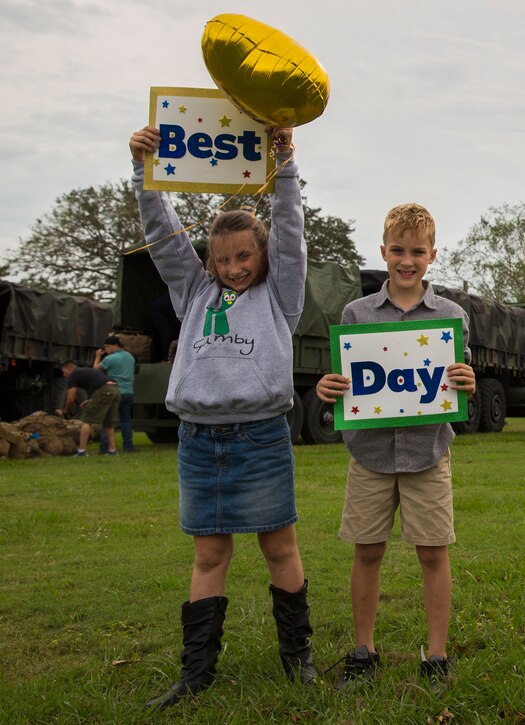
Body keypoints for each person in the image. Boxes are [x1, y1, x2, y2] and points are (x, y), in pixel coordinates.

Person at [129, 125, 317, 709]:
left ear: (262, 255)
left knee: (280, 549)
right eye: (224, 259)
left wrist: (285, 164)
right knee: (209, 554)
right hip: (199, 441)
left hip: (261, 438)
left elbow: (290, 231)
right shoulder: (193, 291)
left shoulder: (281, 293)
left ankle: (298, 660)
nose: (235, 268)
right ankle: (198, 672)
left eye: (245, 256)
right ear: (209, 262)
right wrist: (144, 171)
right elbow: (162, 237)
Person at [315, 203, 476, 691]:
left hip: (428, 452)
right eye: (398, 251)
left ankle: (438, 656)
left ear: (432, 255)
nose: (407, 260)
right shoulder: (356, 314)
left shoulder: (452, 316)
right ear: (383, 252)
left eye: (418, 252)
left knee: (433, 554)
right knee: (368, 551)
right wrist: (329, 389)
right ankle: (363, 651)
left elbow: (458, 377)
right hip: (370, 454)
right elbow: (347, 380)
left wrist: (468, 380)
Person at [56, 360, 120, 456]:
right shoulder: (86, 371)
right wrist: (91, 400)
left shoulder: (73, 375)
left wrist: (64, 410)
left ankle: (82, 451)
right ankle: (112, 451)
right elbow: (99, 384)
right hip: (115, 389)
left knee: (87, 421)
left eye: (64, 372)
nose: (64, 375)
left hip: (104, 391)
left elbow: (71, 398)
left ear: (69, 369)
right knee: (109, 423)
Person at [95, 336, 136, 453]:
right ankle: (128, 446)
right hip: (128, 392)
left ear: (114, 346)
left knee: (108, 420)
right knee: (126, 420)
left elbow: (96, 369)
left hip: (115, 392)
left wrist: (98, 356)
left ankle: (104, 447)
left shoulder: (110, 358)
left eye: (107, 347)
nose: (106, 350)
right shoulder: (130, 357)